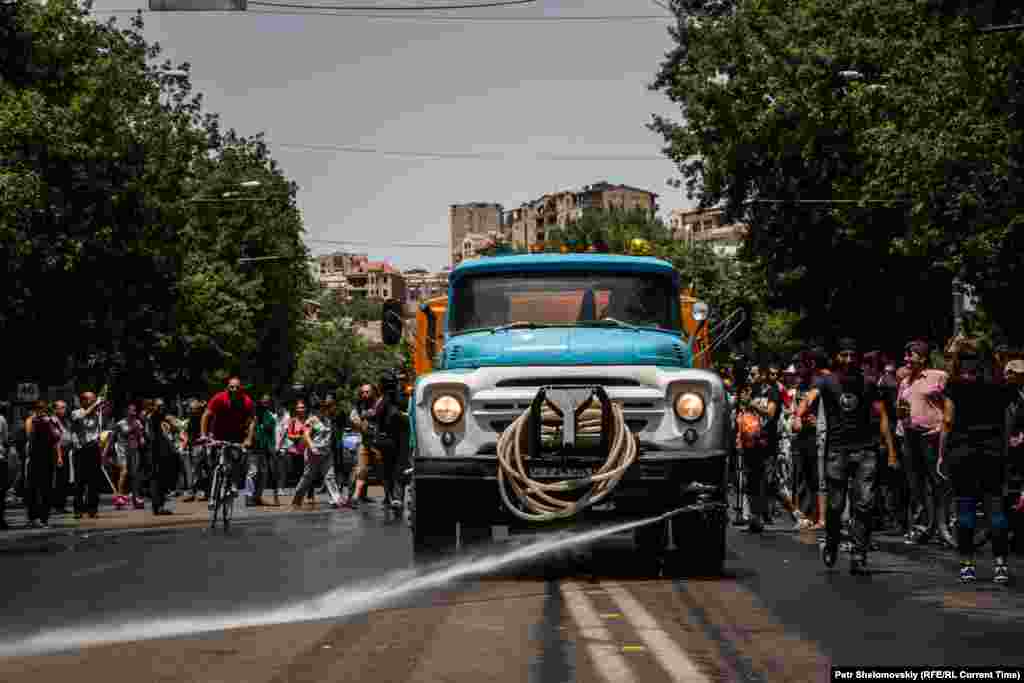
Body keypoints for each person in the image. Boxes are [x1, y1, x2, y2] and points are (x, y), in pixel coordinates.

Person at [804, 338, 897, 574]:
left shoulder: (868, 382)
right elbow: (811, 396)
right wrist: (801, 411)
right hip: (838, 450)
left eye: (852, 355)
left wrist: (891, 450)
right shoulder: (826, 380)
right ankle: (832, 542)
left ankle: (858, 554)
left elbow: (882, 414)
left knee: (864, 504)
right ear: (837, 357)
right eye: (844, 355)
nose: (848, 360)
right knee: (835, 505)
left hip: (866, 449)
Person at [943, 342, 1013, 583]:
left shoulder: (954, 385)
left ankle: (967, 565)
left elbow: (948, 420)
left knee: (965, 508)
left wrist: (942, 454)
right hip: (992, 453)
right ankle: (1000, 566)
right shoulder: (1000, 386)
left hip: (962, 452)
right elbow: (1007, 422)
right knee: (996, 509)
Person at [898, 339, 954, 547]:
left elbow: (949, 403)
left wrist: (944, 426)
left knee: (938, 483)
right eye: (905, 355)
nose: (906, 359)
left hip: (932, 436)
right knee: (917, 486)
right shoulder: (905, 382)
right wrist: (902, 420)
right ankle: (924, 527)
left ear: (922, 357)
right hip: (911, 437)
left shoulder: (938, 376)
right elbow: (901, 408)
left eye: (910, 355)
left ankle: (943, 527)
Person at [199, 377, 255, 496]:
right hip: (218, 433)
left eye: (237, 387)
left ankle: (233, 483)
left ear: (241, 389)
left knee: (236, 458)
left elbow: (251, 421)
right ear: (227, 388)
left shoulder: (247, 401)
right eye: (231, 387)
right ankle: (214, 483)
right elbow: (206, 415)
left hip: (237, 434)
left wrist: (248, 439)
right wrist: (204, 435)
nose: (234, 390)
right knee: (212, 460)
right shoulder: (219, 398)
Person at [25, 400, 64, 529]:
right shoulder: (32, 420)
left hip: (48, 458)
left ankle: (44, 519)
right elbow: (29, 434)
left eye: (43, 408)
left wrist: (58, 456)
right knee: (32, 489)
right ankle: (32, 518)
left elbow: (58, 437)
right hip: (35, 458)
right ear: (34, 409)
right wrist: (39, 422)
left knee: (46, 489)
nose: (41, 411)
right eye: (38, 408)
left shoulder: (51, 421)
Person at [71, 391, 107, 519]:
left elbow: (99, 430)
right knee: (79, 481)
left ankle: (93, 509)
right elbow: (81, 417)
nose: (94, 401)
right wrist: (96, 404)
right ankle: (78, 509)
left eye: (94, 399)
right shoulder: (76, 412)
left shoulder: (98, 414)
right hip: (81, 449)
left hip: (93, 448)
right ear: (84, 401)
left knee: (94, 482)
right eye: (91, 399)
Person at [147, 399, 180, 515]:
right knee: (157, 480)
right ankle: (157, 506)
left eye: (163, 406)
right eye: (159, 406)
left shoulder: (159, 417)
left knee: (161, 480)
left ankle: (159, 505)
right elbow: (152, 438)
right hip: (155, 455)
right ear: (153, 407)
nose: (161, 408)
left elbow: (174, 426)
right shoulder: (152, 417)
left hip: (161, 454)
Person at [249, 394, 279, 506]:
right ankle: (249, 497)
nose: (265, 403)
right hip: (253, 448)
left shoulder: (271, 417)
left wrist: (272, 448)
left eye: (267, 402)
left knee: (264, 474)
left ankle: (257, 497)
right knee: (253, 473)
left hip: (265, 449)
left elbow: (272, 435)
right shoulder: (254, 415)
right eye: (263, 401)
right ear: (260, 402)